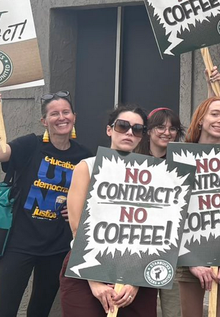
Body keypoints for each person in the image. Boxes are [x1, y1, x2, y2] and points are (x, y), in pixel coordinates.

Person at [0, 88, 93, 317]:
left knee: (40, 310)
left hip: (57, 246)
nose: (61, 117)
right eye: (54, 113)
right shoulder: (30, 145)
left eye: (66, 112)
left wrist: (78, 211)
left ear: (74, 117)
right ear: (44, 121)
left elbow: (93, 198)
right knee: (4, 311)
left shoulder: (84, 156)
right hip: (18, 243)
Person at [61, 105, 156, 316]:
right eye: (123, 126)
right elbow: (77, 227)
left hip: (135, 269)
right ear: (109, 129)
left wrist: (135, 281)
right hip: (86, 265)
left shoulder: (152, 174)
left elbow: (154, 233)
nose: (129, 132)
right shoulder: (87, 167)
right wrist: (94, 281)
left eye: (137, 129)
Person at [177, 96, 220, 317]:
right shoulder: (180, 158)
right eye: (215, 114)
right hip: (189, 254)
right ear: (200, 119)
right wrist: (191, 262)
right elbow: (171, 214)